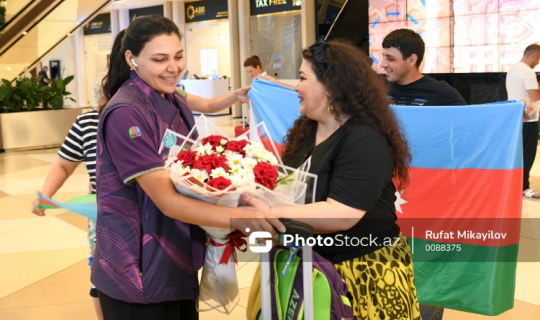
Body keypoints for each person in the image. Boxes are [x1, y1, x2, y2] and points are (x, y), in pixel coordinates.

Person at [92, 16, 284, 320]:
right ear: (131, 59)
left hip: (174, 252)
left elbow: (189, 165)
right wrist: (240, 217)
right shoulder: (126, 113)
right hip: (138, 268)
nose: (173, 67)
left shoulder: (170, 98)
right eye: (160, 59)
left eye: (178, 56)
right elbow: (166, 199)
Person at [243, 39, 421, 320]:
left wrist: (269, 213)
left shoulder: (365, 139)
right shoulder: (306, 129)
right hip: (305, 261)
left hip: (362, 273)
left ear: (332, 87)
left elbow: (342, 214)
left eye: (303, 78)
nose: (296, 87)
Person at [31, 110, 103, 320]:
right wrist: (46, 195)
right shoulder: (88, 122)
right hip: (102, 217)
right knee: (101, 276)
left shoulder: (157, 111)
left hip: (153, 213)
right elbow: (64, 163)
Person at [506, 44, 540, 199]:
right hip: (529, 118)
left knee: (519, 152)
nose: (538, 63)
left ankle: (515, 184)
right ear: (535, 55)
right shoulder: (527, 71)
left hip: (516, 117)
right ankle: (524, 187)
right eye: (538, 59)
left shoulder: (513, 68)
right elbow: (534, 96)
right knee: (527, 153)